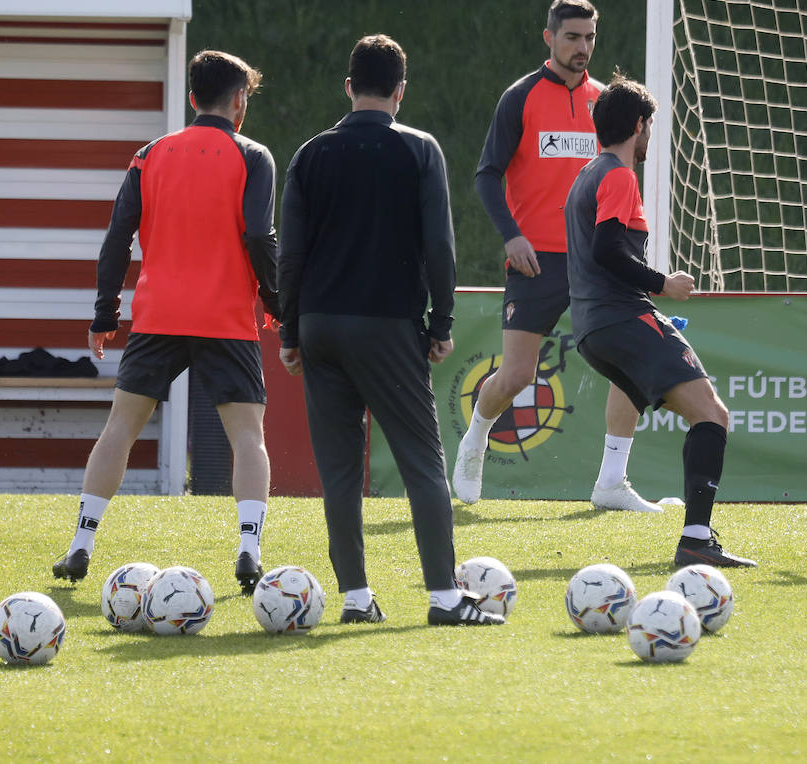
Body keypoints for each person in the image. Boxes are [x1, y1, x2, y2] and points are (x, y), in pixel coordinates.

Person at [277, 35, 502, 626]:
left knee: (340, 471)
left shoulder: (308, 154)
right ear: (401, 91)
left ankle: (355, 599)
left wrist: (289, 332)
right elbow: (439, 246)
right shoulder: (419, 149)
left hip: (321, 325)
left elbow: (291, 256)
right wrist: (441, 321)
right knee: (423, 464)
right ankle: (445, 599)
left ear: (347, 87)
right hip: (385, 325)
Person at [53, 50, 277, 594]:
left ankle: (81, 545)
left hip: (160, 316)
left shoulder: (150, 154)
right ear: (240, 100)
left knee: (120, 430)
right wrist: (277, 302)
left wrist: (105, 312)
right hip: (225, 316)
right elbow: (258, 237)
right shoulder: (254, 156)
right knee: (248, 437)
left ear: (193, 97)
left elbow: (117, 237)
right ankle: (249, 551)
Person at [453, 0, 659, 513]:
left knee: (629, 363)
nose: (582, 47)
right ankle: (475, 438)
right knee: (518, 374)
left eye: (590, 37)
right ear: (549, 37)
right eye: (572, 37)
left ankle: (612, 481)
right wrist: (511, 235)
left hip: (599, 258)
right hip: (536, 258)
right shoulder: (519, 97)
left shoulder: (605, 103)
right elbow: (486, 175)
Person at [566, 72, 755, 568]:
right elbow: (608, 250)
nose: (651, 136)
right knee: (712, 414)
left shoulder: (586, 175)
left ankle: (613, 482)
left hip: (590, 328)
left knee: (681, 405)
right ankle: (696, 538)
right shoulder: (618, 176)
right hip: (621, 318)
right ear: (640, 125)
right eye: (650, 126)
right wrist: (661, 283)